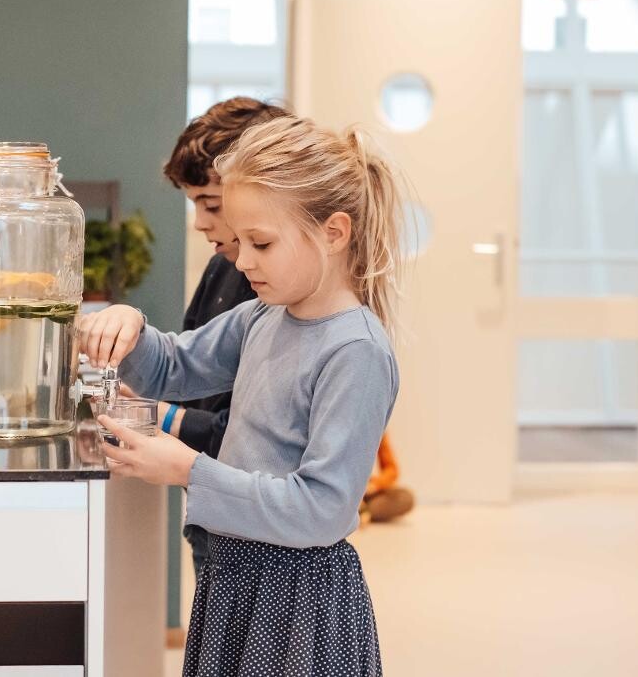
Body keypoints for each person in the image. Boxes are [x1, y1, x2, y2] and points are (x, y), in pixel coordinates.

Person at [79, 115, 403, 676]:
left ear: (334, 233)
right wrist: (129, 326)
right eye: (241, 239)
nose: (242, 259)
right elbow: (174, 366)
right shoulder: (262, 315)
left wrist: (189, 470)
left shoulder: (357, 352)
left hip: (298, 601)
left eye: (262, 242)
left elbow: (322, 510)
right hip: (234, 576)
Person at [158, 96, 290, 574]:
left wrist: (161, 415)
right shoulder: (221, 266)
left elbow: (250, 434)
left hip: (259, 532)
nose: (200, 222)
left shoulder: (286, 298)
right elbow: (185, 361)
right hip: (210, 514)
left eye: (211, 205)